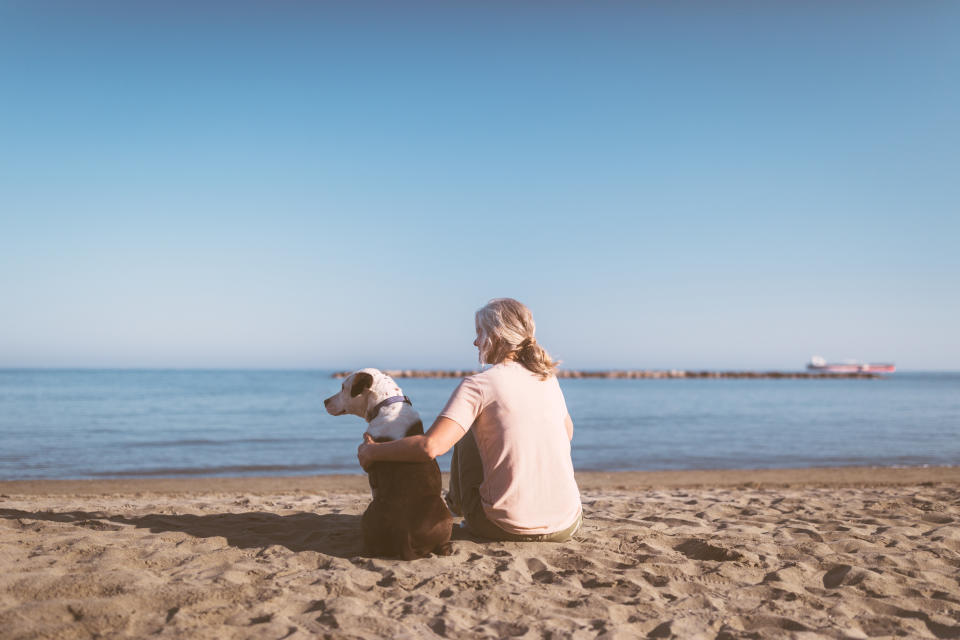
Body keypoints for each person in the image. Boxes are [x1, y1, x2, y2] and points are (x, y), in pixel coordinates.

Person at [357, 298, 582, 542]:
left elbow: (430, 447)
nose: (475, 342)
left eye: (479, 333)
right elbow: (567, 434)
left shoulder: (479, 384)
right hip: (568, 523)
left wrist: (374, 452)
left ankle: (456, 505)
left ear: (496, 335)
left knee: (462, 431)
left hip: (503, 526)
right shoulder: (547, 379)